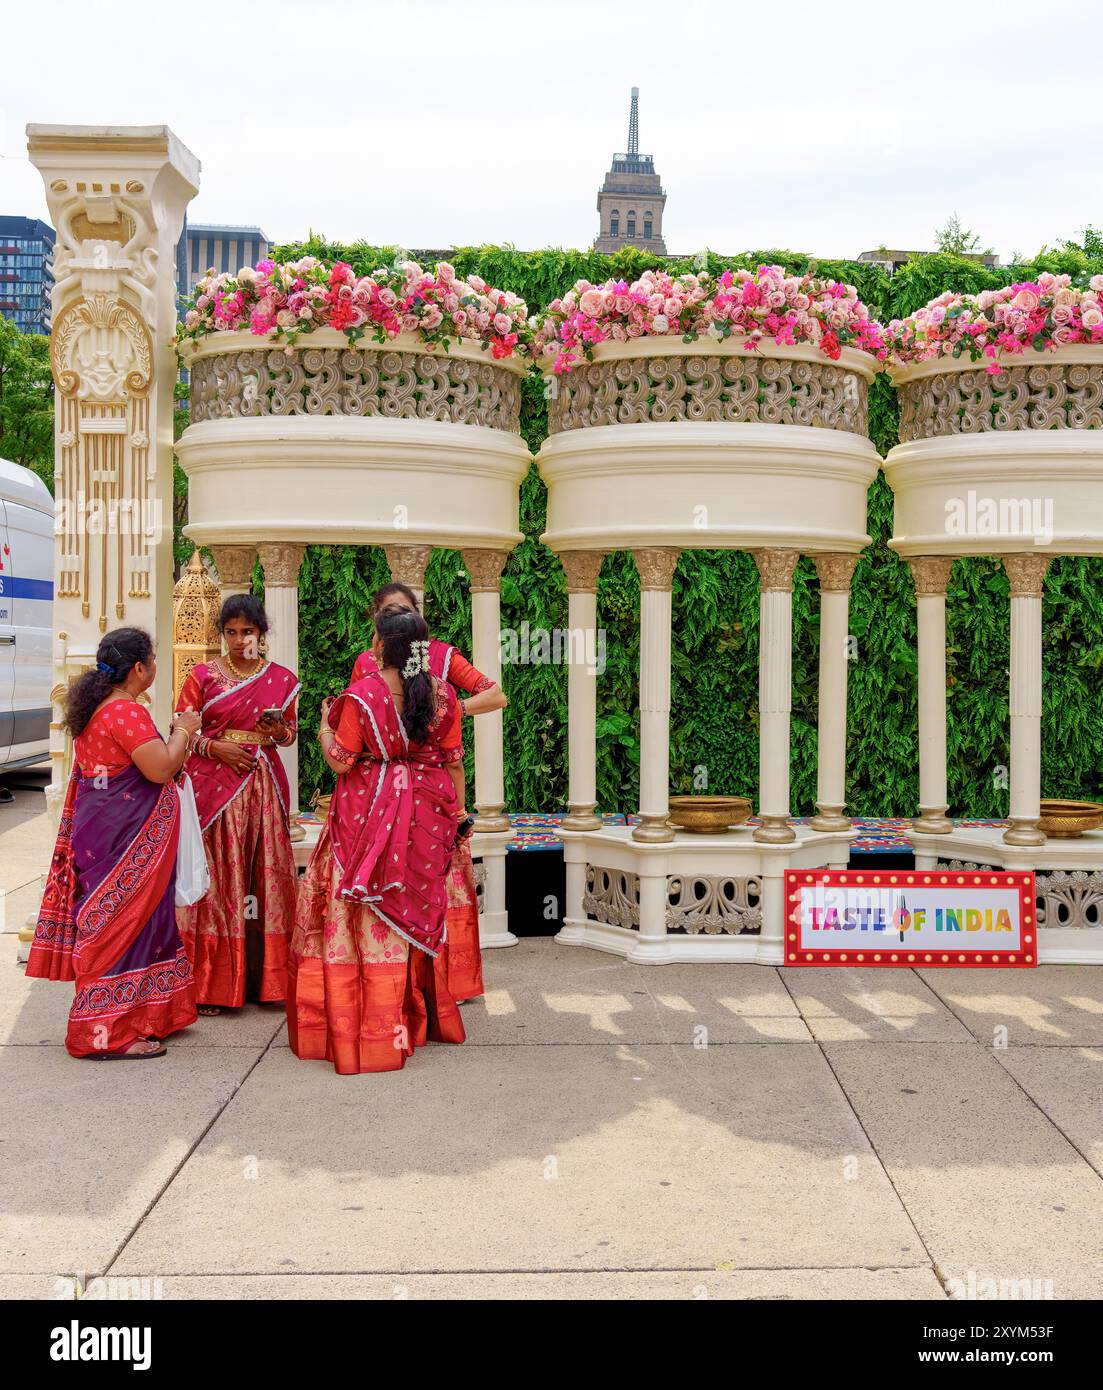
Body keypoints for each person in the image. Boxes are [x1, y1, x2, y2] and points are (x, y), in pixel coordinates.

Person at [287, 608, 464, 1074]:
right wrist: (458, 817)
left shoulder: (362, 695)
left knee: (361, 914)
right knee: (411, 905)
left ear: (380, 645)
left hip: (366, 815)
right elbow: (453, 762)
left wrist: (326, 724)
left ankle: (365, 1025)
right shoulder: (444, 695)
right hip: (426, 813)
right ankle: (412, 1020)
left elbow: (342, 761)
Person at [25, 628, 199, 1059]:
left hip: (109, 832)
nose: (156, 668)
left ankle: (149, 1015)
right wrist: (183, 731)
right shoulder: (124, 712)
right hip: (123, 838)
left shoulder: (99, 708)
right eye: (154, 660)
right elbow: (160, 769)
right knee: (119, 925)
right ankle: (105, 1033)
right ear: (139, 668)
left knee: (141, 923)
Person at [349, 582, 507, 1001]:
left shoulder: (442, 656)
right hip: (384, 788)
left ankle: (436, 985)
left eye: (403, 613)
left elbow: (495, 694)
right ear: (376, 624)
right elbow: (359, 721)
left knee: (431, 882)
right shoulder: (367, 662)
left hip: (427, 783)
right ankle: (389, 982)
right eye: (388, 614)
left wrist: (439, 712)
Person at [175, 595, 299, 1015]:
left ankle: (270, 982)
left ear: (261, 633)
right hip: (215, 785)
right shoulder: (202, 676)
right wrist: (216, 748)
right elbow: (181, 731)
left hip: (263, 785)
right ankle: (211, 985)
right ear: (222, 634)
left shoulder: (282, 678)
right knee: (220, 878)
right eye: (231, 632)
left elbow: (289, 737)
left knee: (266, 878)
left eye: (247, 631)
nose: (239, 639)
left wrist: (278, 728)